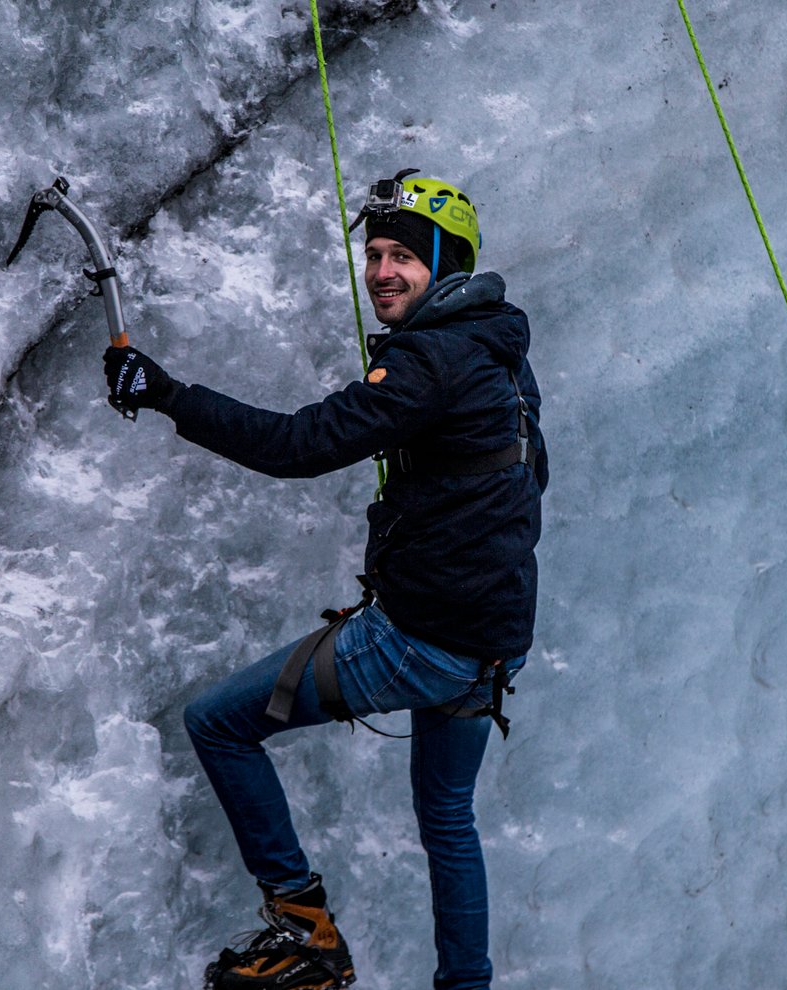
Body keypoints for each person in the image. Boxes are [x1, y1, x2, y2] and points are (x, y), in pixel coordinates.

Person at [103, 169, 548, 990]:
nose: (381, 271)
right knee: (448, 819)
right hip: (492, 648)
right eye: (374, 254)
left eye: (403, 258)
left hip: (426, 643)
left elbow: (297, 446)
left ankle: (305, 932)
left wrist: (165, 393)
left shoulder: (431, 362)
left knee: (217, 723)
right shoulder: (499, 349)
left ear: (445, 265)